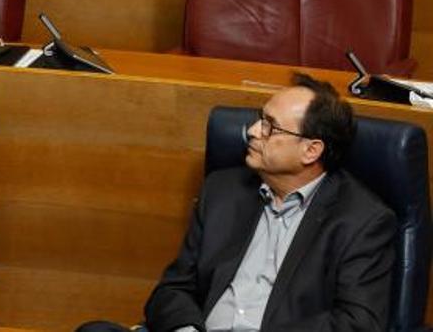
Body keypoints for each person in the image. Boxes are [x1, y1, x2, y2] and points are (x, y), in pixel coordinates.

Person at [80, 74, 395, 332]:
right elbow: (172, 290)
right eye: (260, 118)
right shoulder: (223, 190)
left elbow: (358, 324)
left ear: (311, 151)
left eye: (270, 126)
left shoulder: (362, 220)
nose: (253, 131)